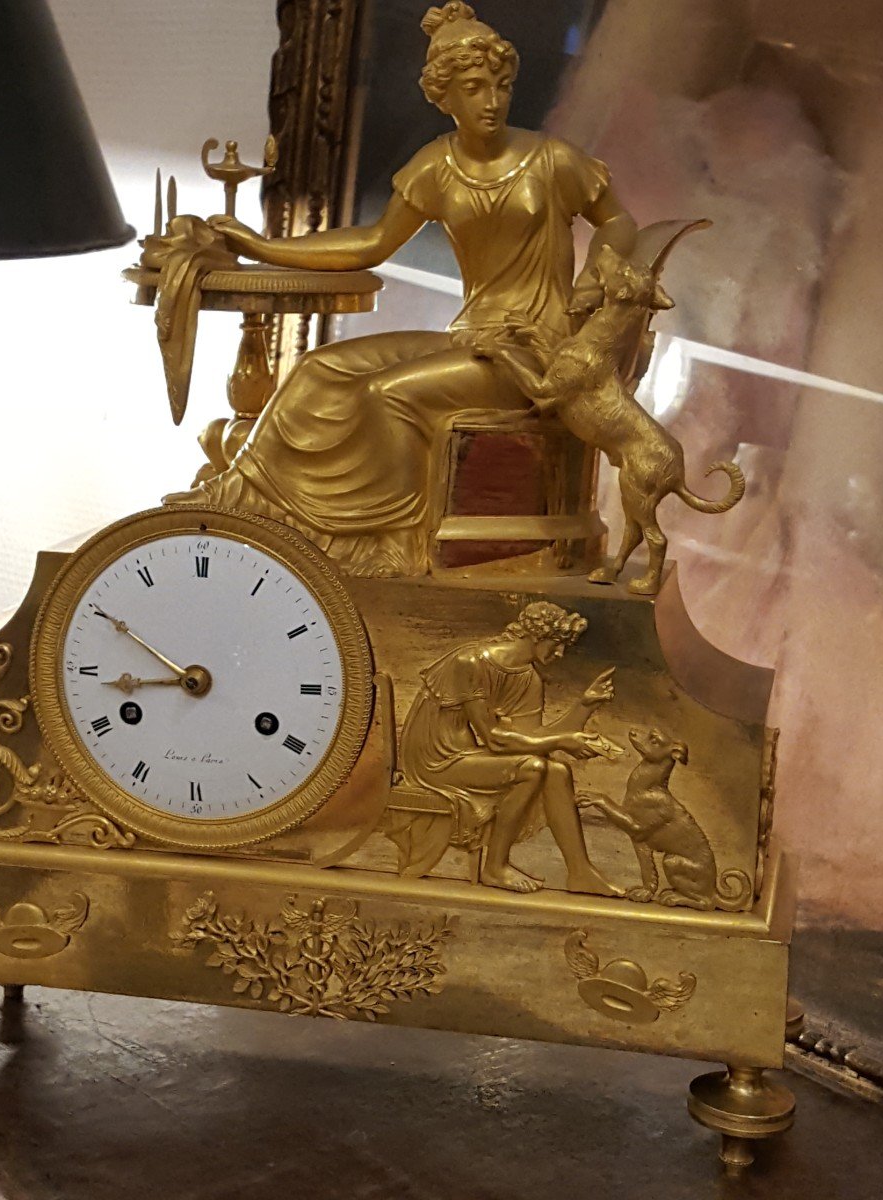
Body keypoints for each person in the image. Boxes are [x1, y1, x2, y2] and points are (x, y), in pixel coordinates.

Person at [193, 2, 637, 577]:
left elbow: (619, 221)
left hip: (535, 351)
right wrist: (259, 245)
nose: (492, 100)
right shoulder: (437, 166)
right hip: (472, 338)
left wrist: (599, 269)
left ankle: (391, 544)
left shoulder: (551, 160)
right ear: (443, 96)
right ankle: (247, 504)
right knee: (316, 371)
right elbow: (370, 244)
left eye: (500, 85)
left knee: (386, 395)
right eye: (474, 88)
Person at [401, 600, 620, 895]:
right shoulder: (471, 662)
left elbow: (532, 739)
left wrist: (584, 705)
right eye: (556, 644)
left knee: (556, 771)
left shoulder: (528, 679)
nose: (560, 653)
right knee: (532, 769)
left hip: (470, 756)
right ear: (535, 636)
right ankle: (495, 866)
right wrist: (562, 741)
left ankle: (581, 872)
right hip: (437, 757)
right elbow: (495, 739)